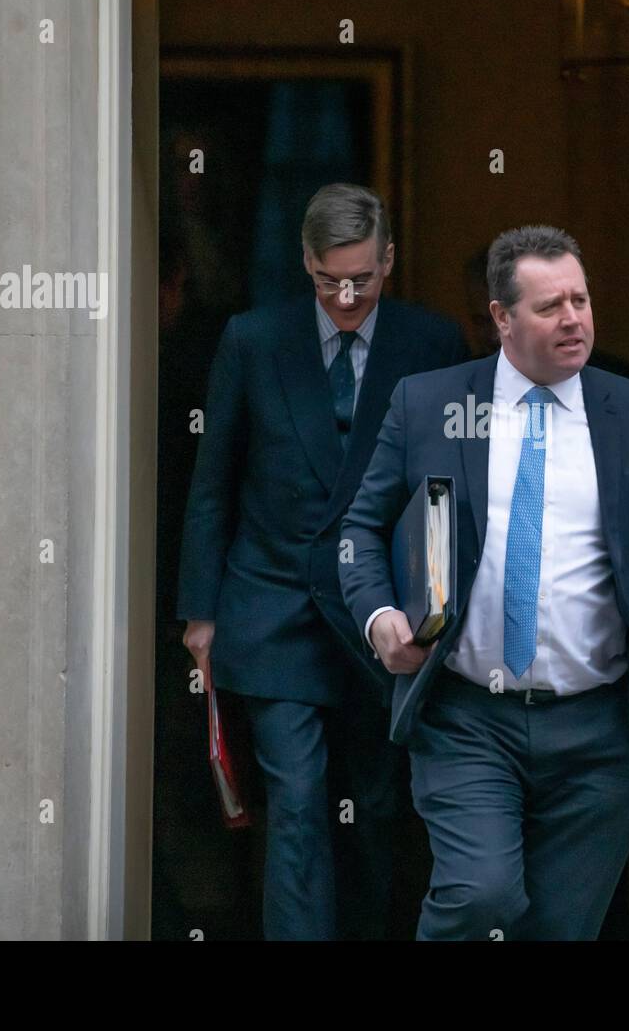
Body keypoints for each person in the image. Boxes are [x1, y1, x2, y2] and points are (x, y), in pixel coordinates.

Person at [340, 224, 629, 940]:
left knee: (560, 929)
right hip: (469, 717)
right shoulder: (428, 404)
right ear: (501, 318)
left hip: (599, 729)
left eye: (581, 300)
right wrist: (381, 617)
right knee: (482, 898)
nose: (574, 319)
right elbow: (359, 532)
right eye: (550, 306)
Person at [178, 182, 471, 940]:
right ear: (305, 261)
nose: (345, 295)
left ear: (390, 262)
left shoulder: (432, 343)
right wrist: (201, 614)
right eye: (327, 278)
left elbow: (452, 491)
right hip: (274, 606)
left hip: (383, 610)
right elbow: (213, 484)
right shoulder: (253, 338)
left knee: (377, 805)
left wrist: (445, 604)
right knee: (300, 802)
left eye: (363, 278)